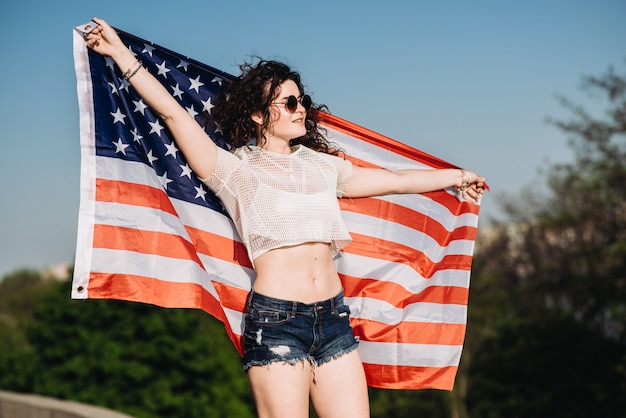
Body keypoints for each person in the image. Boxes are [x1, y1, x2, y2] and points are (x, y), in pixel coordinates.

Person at [85, 18, 485, 418]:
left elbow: (395, 182)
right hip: (276, 323)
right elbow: (173, 115)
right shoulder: (234, 170)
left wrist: (458, 177)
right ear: (259, 115)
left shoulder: (324, 167)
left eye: (302, 101)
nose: (301, 110)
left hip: (334, 320)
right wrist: (119, 52)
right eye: (289, 103)